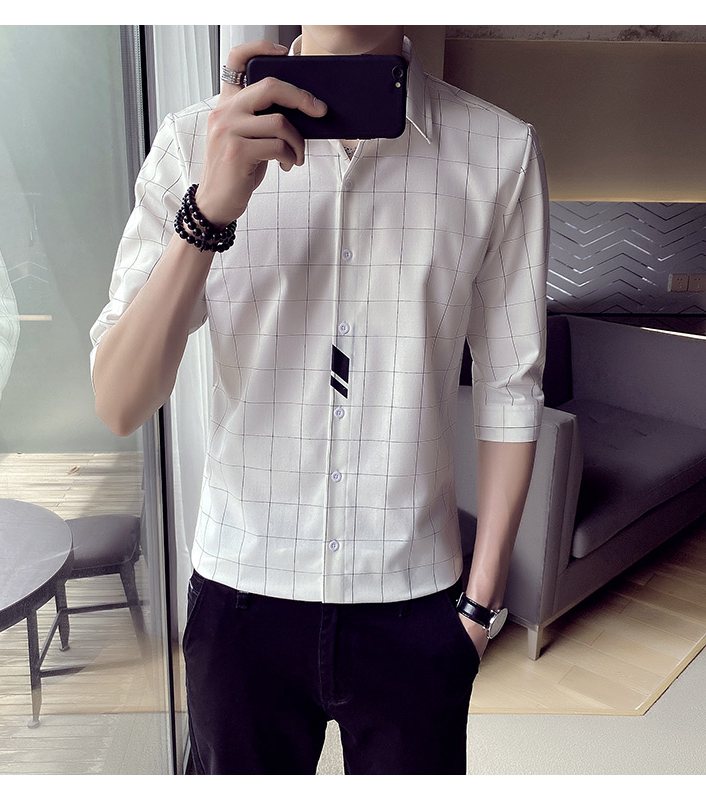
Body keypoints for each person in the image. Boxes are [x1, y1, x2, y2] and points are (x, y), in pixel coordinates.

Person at [90, 25, 549, 775]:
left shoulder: (499, 151)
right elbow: (118, 402)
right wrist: (209, 212)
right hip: (241, 598)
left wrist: (479, 606)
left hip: (416, 602)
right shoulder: (196, 143)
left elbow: (510, 388)